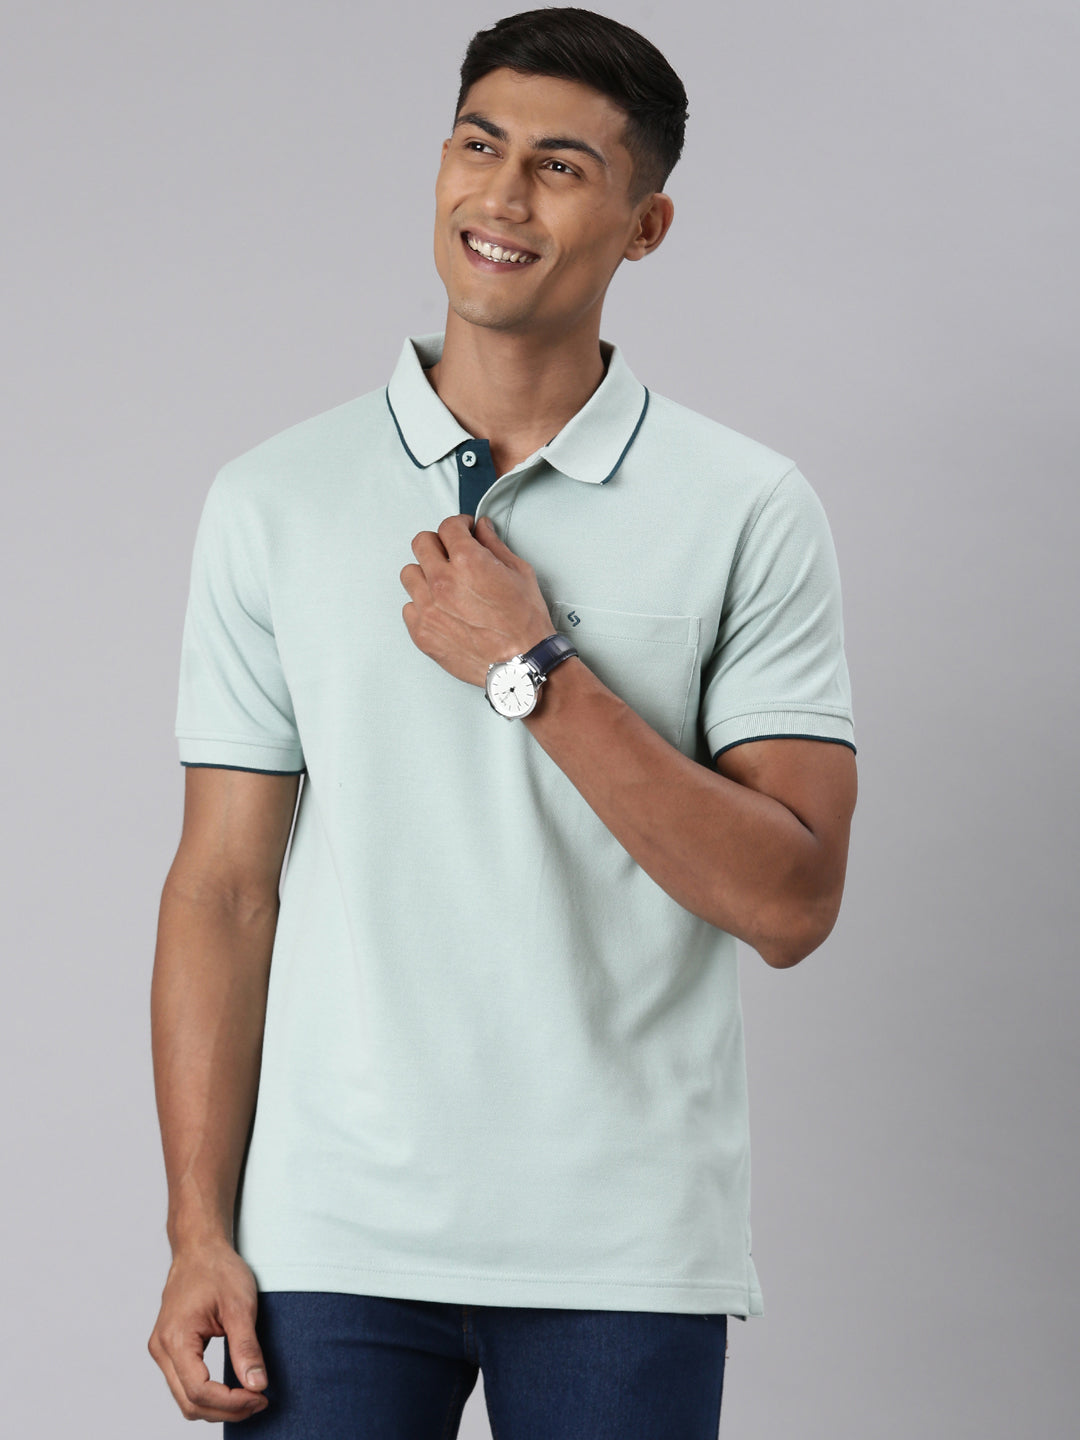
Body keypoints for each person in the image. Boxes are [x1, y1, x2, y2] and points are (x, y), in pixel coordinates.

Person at [148, 7, 858, 1435]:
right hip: (328, 1237)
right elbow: (223, 888)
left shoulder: (747, 506)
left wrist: (532, 667)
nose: (503, 195)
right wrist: (197, 1233)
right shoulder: (273, 497)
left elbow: (790, 903)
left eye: (560, 166)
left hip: (623, 1243)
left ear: (645, 225)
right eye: (479, 146)